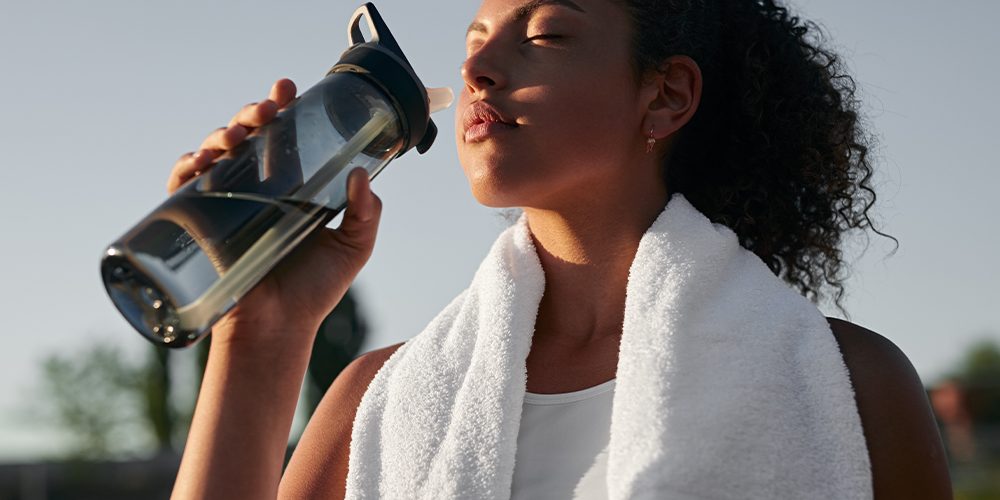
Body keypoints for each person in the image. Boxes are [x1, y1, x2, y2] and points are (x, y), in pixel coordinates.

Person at [167, 0, 952, 498]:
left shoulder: (849, 386)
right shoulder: (378, 399)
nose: (476, 68)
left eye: (544, 33)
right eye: (474, 38)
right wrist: (261, 332)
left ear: (666, 94)